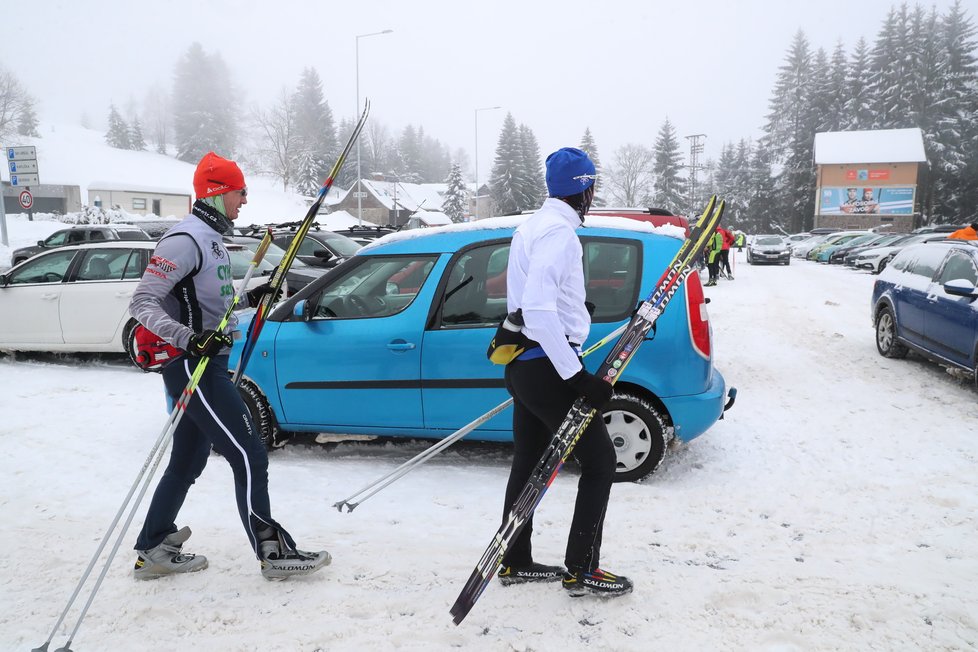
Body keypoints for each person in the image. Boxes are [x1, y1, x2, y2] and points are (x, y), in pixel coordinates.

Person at [128, 151, 330, 581]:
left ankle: (153, 547)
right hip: (192, 365)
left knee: (188, 460)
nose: (244, 201)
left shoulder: (213, 240)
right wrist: (190, 339)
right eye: (240, 192)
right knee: (250, 453)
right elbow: (142, 302)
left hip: (209, 362)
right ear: (219, 193)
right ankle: (274, 552)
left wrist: (252, 298)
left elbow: (210, 306)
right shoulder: (184, 240)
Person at [496, 147, 631, 597]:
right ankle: (583, 568)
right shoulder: (560, 235)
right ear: (585, 189)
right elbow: (536, 308)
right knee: (600, 462)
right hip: (548, 368)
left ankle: (515, 560)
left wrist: (573, 311)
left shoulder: (532, 227)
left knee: (529, 460)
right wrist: (576, 377)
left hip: (522, 364)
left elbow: (534, 299)